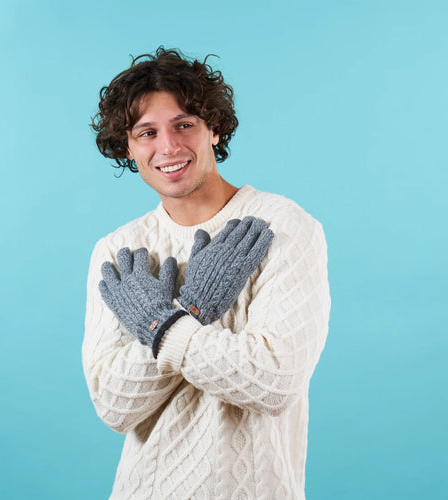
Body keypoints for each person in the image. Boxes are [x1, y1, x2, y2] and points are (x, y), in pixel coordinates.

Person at [82, 47, 330, 500]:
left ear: (213, 128)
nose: (168, 147)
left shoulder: (281, 227)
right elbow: (114, 406)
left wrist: (161, 326)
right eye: (147, 132)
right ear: (128, 148)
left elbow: (275, 381)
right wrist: (191, 309)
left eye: (184, 125)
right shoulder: (119, 252)